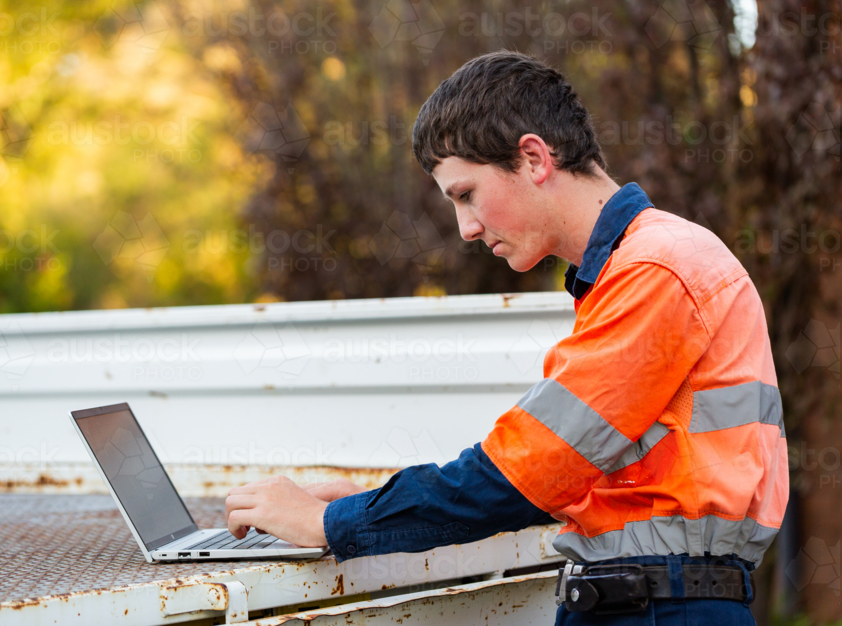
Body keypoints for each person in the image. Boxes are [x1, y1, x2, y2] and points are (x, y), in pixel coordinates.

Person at [224, 50, 788, 625]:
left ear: (534, 158)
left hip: (660, 609)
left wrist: (328, 524)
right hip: (656, 600)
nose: (467, 228)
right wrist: (364, 503)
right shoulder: (639, 269)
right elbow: (573, 479)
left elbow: (521, 476)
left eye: (466, 194)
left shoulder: (655, 271)